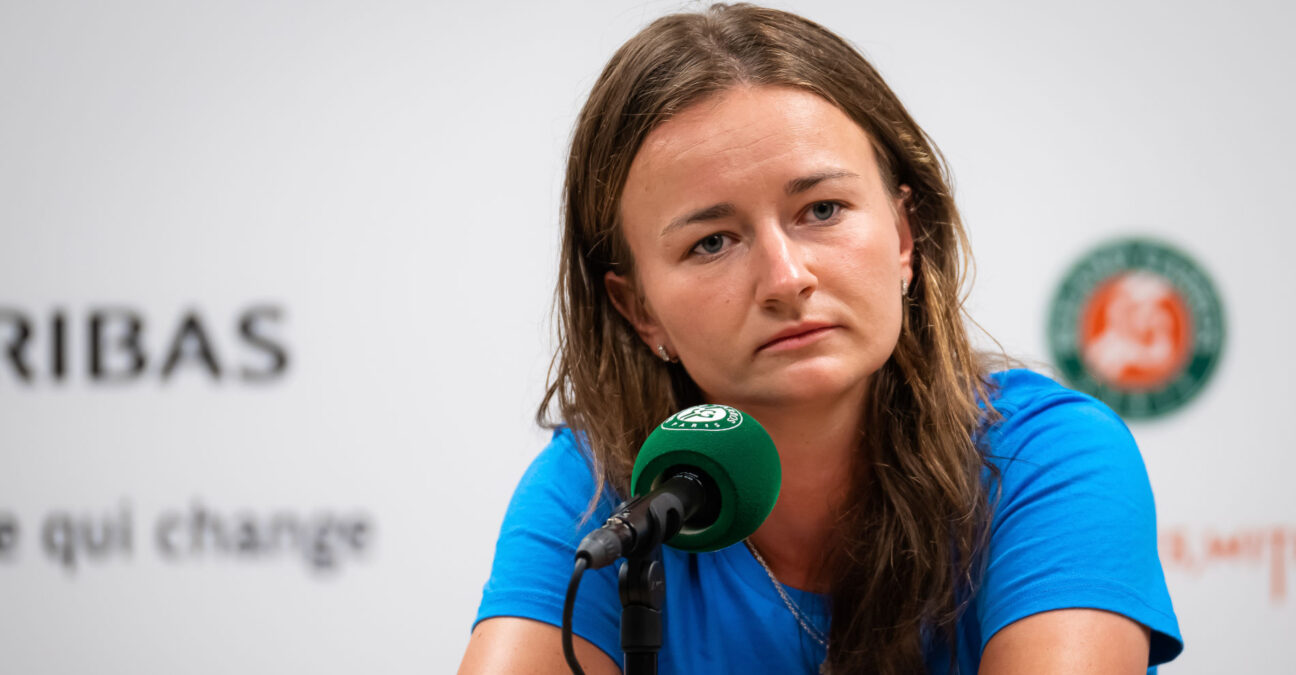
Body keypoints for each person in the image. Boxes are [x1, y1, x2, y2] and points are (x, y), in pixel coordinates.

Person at [459, 4, 1183, 673]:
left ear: (904, 236)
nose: (785, 277)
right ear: (639, 308)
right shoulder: (600, 497)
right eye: (712, 242)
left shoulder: (1046, 457)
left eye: (823, 208)